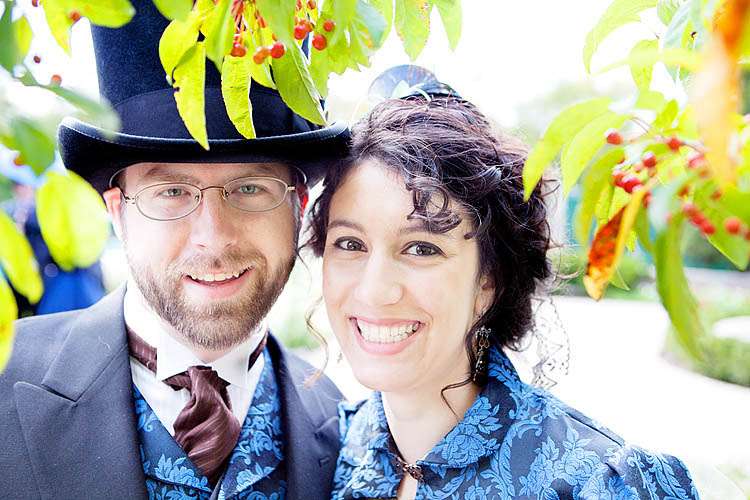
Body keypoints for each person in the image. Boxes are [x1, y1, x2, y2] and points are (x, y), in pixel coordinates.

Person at [0, 1, 348, 498]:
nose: (214, 236)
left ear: (299, 205)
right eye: (172, 192)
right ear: (117, 211)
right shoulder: (5, 383)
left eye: (250, 188)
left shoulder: (341, 426)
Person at [304, 67, 699, 499]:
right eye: (350, 244)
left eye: (421, 248)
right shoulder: (330, 450)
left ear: (488, 280)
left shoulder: (597, 485)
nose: (374, 290)